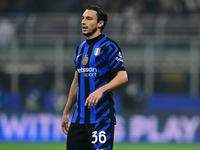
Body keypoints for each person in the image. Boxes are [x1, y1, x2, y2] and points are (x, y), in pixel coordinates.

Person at [61, 5, 128, 150]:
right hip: (78, 120)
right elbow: (76, 83)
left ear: (100, 23)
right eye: (83, 18)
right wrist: (66, 112)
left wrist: (100, 90)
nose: (83, 22)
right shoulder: (80, 48)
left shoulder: (109, 46)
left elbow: (122, 76)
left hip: (101, 119)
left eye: (89, 19)